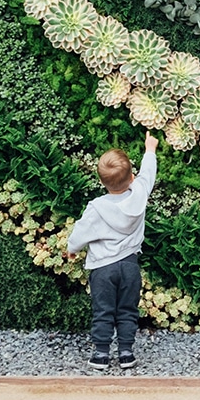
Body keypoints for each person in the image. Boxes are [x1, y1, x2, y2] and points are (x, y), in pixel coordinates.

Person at [66, 131, 158, 370]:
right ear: (132, 177)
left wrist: (72, 249)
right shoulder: (139, 194)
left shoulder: (97, 207)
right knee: (128, 309)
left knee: (103, 310)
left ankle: (101, 354)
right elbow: (148, 175)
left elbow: (80, 232)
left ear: (101, 181)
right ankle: (126, 353)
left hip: (102, 268)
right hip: (129, 265)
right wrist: (150, 149)